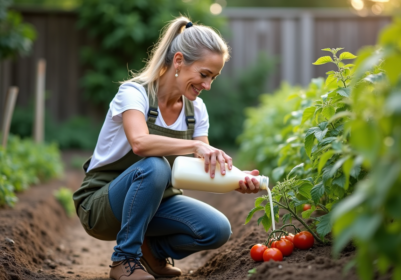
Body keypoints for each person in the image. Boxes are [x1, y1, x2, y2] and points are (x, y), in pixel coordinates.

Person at [73, 16, 261, 280]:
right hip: (101, 205)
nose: (207, 85)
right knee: (155, 165)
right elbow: (139, 143)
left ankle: (152, 251)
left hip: (155, 203)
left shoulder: (196, 110)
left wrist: (236, 179)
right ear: (179, 61)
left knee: (218, 229)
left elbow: (204, 165)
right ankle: (124, 260)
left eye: (213, 78)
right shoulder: (134, 93)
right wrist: (196, 144)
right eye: (204, 75)